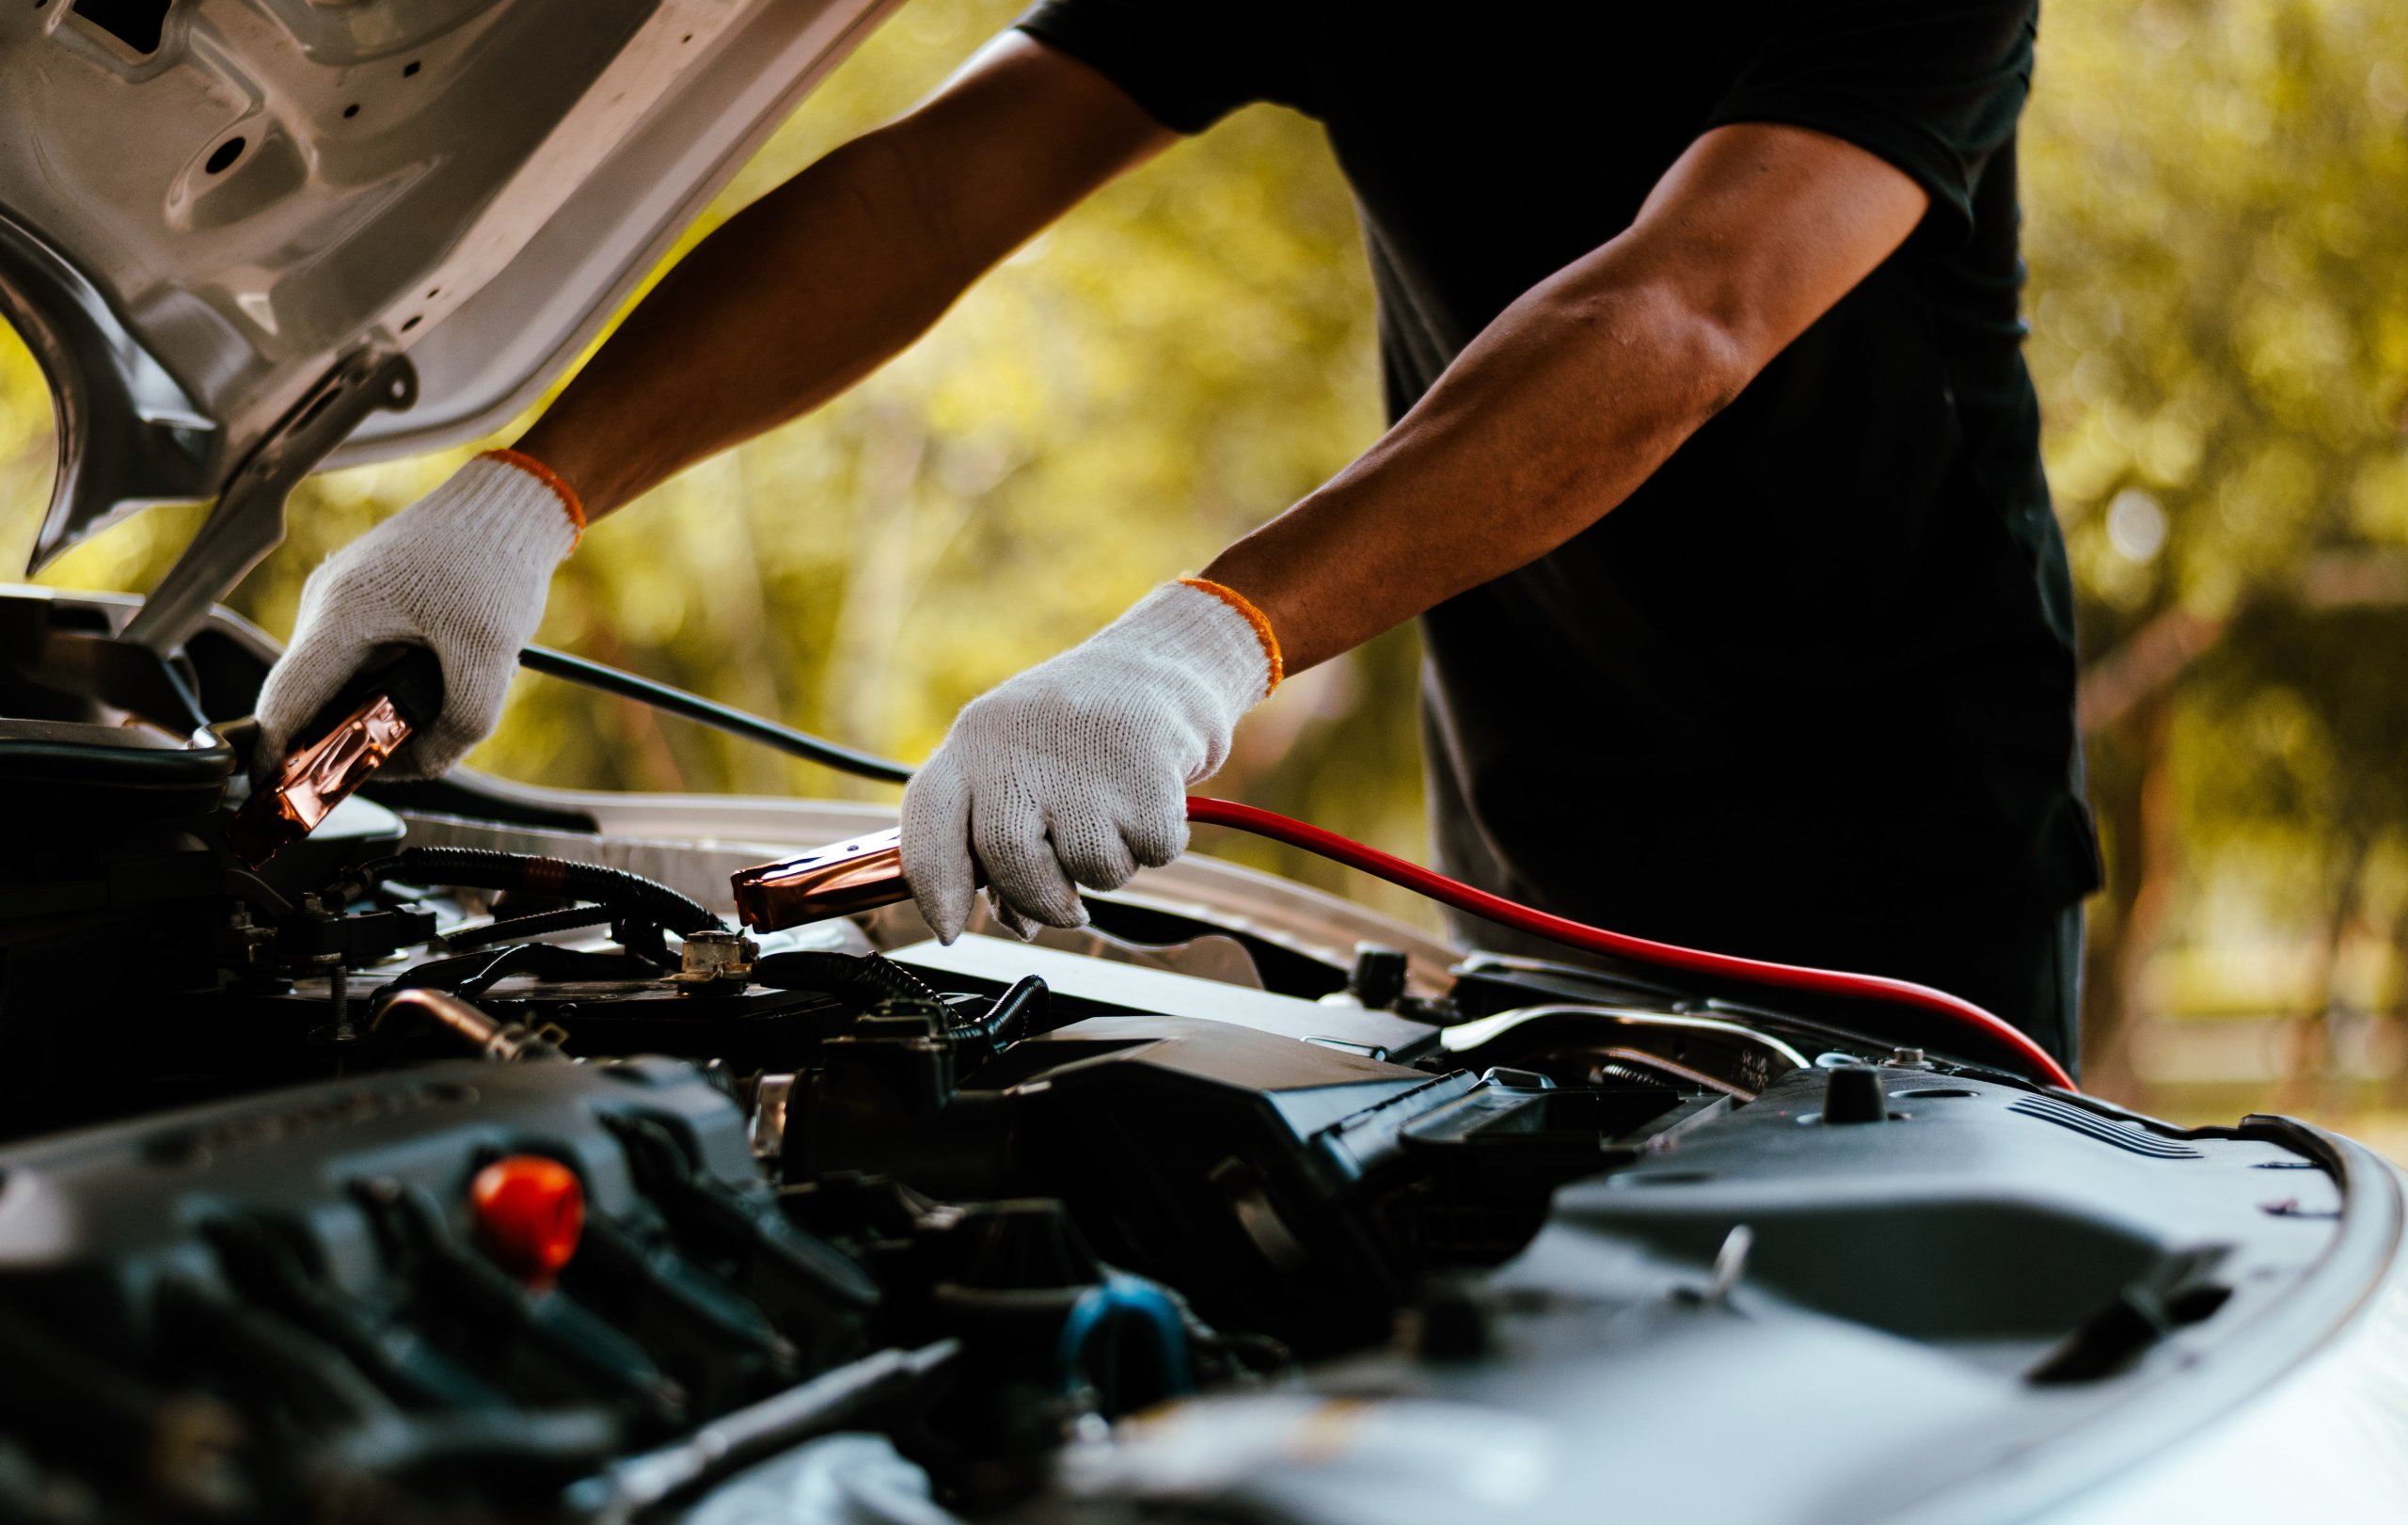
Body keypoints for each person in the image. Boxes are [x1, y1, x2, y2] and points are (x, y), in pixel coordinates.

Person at [259, 0, 2101, 1069]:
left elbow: (1681, 307)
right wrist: (526, 488)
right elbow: (932, 184)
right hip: (1534, 828)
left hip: (1895, 853)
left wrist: (1201, 640)